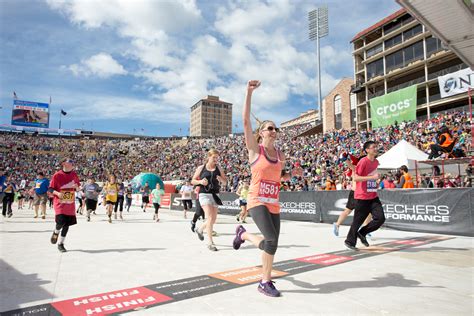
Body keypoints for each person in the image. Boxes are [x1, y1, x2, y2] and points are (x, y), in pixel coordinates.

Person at [232, 80, 302, 297]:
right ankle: (265, 281)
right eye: (269, 128)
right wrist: (249, 92)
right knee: (270, 240)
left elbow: (280, 176)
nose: (273, 130)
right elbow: (244, 121)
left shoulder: (280, 155)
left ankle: (244, 236)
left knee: (272, 244)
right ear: (261, 133)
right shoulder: (255, 150)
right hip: (256, 200)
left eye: (275, 128)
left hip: (274, 202)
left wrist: (293, 175)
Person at [344, 141, 385, 250]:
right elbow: (356, 178)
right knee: (357, 221)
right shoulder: (363, 162)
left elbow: (372, 176)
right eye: (373, 147)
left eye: (376, 146)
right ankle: (349, 241)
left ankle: (362, 233)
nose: (376, 149)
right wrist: (372, 178)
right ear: (367, 150)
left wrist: (375, 182)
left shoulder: (376, 162)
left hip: (373, 196)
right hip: (362, 197)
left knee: (380, 219)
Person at [191, 148, 227, 251]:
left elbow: (225, 182)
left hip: (215, 194)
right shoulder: (201, 168)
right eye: (214, 157)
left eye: (217, 158)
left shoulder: (219, 168)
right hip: (204, 194)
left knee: (213, 219)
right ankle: (210, 242)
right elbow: (193, 181)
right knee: (210, 217)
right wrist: (201, 182)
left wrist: (221, 180)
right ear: (208, 157)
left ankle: (200, 229)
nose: (216, 160)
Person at [333, 157, 372, 237]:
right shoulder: (356, 168)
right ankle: (337, 225)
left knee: (370, 212)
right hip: (355, 194)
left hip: (363, 194)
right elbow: (350, 165)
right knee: (348, 211)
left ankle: (364, 229)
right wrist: (344, 159)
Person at [49, 157, 80, 253]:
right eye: (70, 162)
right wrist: (58, 194)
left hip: (70, 203)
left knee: (67, 225)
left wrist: (77, 187)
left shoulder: (74, 174)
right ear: (63, 164)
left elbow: (78, 188)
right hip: (59, 202)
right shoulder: (57, 175)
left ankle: (61, 244)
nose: (72, 164)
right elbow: (50, 189)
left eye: (72, 162)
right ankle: (56, 231)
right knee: (60, 222)